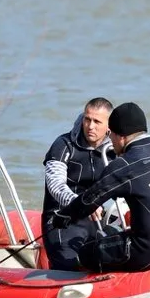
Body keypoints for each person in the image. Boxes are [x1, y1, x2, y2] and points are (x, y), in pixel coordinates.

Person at [50, 102, 150, 273]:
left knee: (86, 251)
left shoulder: (124, 165)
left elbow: (89, 201)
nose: (110, 140)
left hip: (149, 253)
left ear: (120, 137)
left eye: (111, 135)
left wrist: (64, 216)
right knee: (114, 232)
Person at [42, 97, 115, 270]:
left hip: (96, 220)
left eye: (97, 121)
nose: (90, 126)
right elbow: (55, 185)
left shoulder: (114, 149)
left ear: (109, 126)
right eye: (87, 119)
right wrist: (83, 205)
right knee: (71, 266)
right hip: (61, 219)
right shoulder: (63, 144)